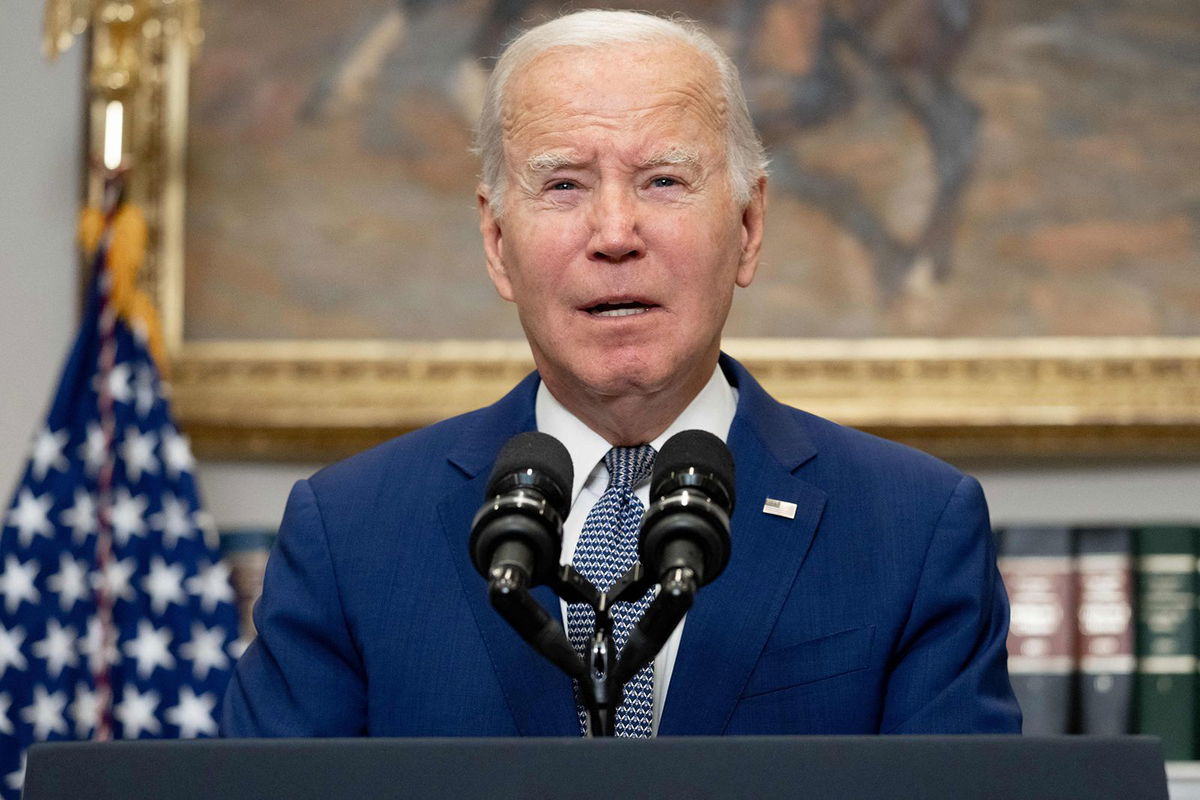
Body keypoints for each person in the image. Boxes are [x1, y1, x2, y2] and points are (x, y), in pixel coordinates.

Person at [221, 9, 1020, 737]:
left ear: (747, 228)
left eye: (663, 182)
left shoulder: (912, 528)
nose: (614, 234)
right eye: (563, 184)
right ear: (498, 244)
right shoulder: (351, 531)